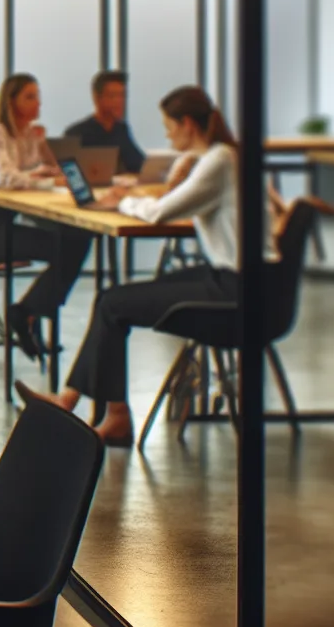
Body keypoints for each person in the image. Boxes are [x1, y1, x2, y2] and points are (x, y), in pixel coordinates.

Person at [20, 86, 276, 445]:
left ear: (187, 123)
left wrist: (121, 201)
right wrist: (173, 180)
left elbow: (159, 213)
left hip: (237, 292)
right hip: (245, 281)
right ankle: (71, 401)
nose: (167, 134)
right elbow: (177, 202)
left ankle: (113, 417)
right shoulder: (224, 158)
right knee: (110, 300)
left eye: (169, 126)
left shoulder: (220, 161)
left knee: (112, 303)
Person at [0, 75, 93, 358]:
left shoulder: (30, 135)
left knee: (78, 238)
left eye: (38, 96)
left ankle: (29, 312)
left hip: (10, 221)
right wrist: (41, 178)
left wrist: (44, 151)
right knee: (68, 245)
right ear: (11, 101)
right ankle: (28, 313)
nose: (38, 102)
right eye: (30, 96)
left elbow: (48, 171)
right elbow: (7, 178)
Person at [64, 69, 145, 175]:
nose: (119, 101)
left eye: (122, 95)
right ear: (97, 98)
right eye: (112, 96)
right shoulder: (76, 133)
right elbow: (69, 173)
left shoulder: (121, 128)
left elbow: (138, 164)